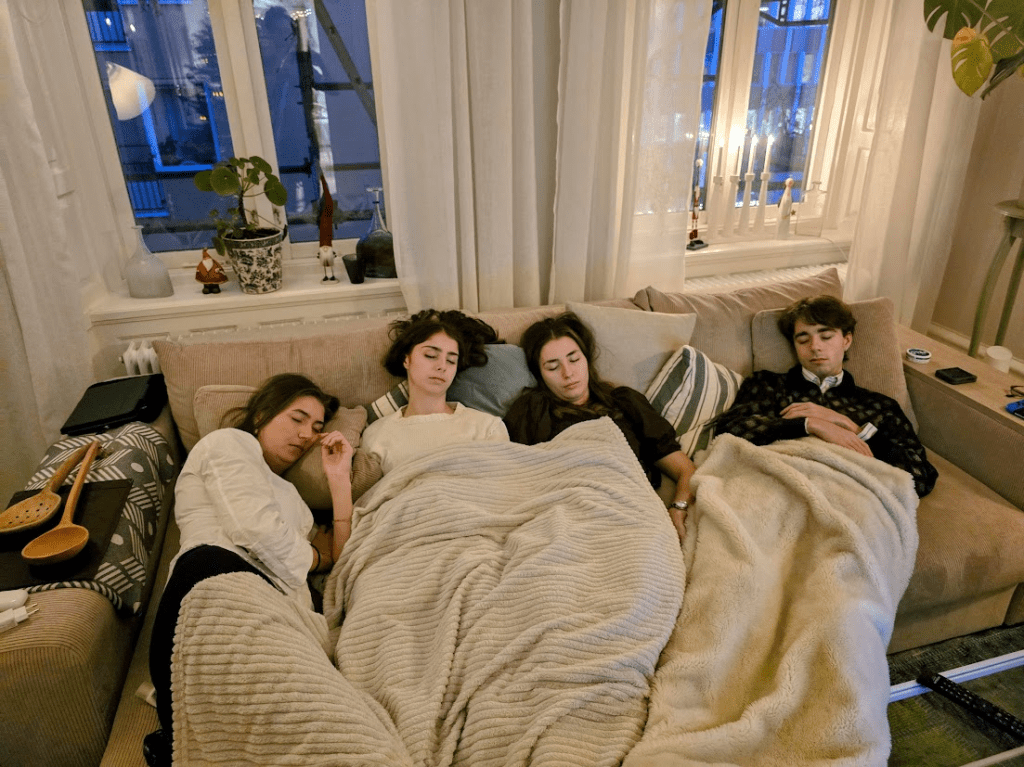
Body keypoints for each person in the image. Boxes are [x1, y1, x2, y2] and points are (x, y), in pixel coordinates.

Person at [144, 373, 354, 766]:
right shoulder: (228, 443)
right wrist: (315, 557)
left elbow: (341, 558)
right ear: (261, 415)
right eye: (297, 418)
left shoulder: (295, 501)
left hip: (281, 611)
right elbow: (254, 529)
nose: (307, 434)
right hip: (213, 579)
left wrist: (339, 478)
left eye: (316, 427)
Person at [714, 295, 938, 497]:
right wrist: (810, 425)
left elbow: (921, 476)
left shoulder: (880, 405)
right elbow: (728, 431)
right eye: (803, 340)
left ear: (846, 340)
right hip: (778, 488)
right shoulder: (768, 383)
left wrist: (851, 427)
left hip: (849, 496)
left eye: (826, 336)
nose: (815, 347)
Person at [503, 312, 696, 540]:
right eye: (553, 367)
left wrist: (678, 508)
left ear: (586, 359)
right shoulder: (532, 409)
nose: (568, 373)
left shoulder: (625, 402)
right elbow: (515, 477)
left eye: (574, 359)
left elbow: (685, 470)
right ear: (540, 374)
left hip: (630, 511)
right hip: (565, 519)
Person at [360, 309, 510, 474]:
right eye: (431, 355)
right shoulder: (376, 435)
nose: (442, 366)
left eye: (451, 360)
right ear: (406, 359)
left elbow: (505, 483)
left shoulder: (487, 427)